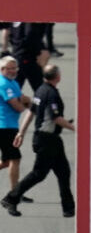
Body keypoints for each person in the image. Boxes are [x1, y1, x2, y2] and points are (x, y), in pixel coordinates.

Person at [2, 65, 72, 217]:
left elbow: (31, 112)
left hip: (50, 139)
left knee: (64, 172)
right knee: (38, 174)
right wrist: (75, 128)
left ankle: (69, 208)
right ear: (58, 77)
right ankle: (11, 198)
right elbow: (56, 118)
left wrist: (21, 133)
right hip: (47, 140)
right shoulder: (51, 93)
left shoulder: (40, 90)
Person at [0, 57, 29, 198]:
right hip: (5, 127)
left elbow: (24, 98)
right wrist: (27, 106)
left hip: (10, 125)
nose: (13, 71)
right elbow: (17, 106)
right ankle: (14, 193)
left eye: (14, 68)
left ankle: (15, 192)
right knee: (15, 159)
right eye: (9, 68)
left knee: (6, 162)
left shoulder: (13, 83)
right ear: (2, 70)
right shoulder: (3, 84)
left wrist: (29, 101)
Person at [5, 22, 48, 91]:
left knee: (15, 87)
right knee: (39, 88)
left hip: (17, 53)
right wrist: (40, 50)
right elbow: (30, 35)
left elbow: (9, 32)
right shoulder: (30, 20)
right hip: (28, 56)